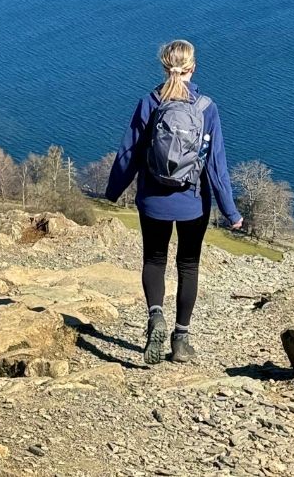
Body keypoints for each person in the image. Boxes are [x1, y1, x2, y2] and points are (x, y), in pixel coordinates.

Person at [105, 39, 243, 365]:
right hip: (193, 203)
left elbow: (128, 154)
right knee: (188, 265)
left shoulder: (149, 103)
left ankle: (156, 316)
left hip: (153, 201)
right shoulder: (206, 108)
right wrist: (231, 212)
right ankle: (181, 341)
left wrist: (112, 192)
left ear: (164, 66)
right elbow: (216, 166)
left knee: (154, 260)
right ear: (193, 67)